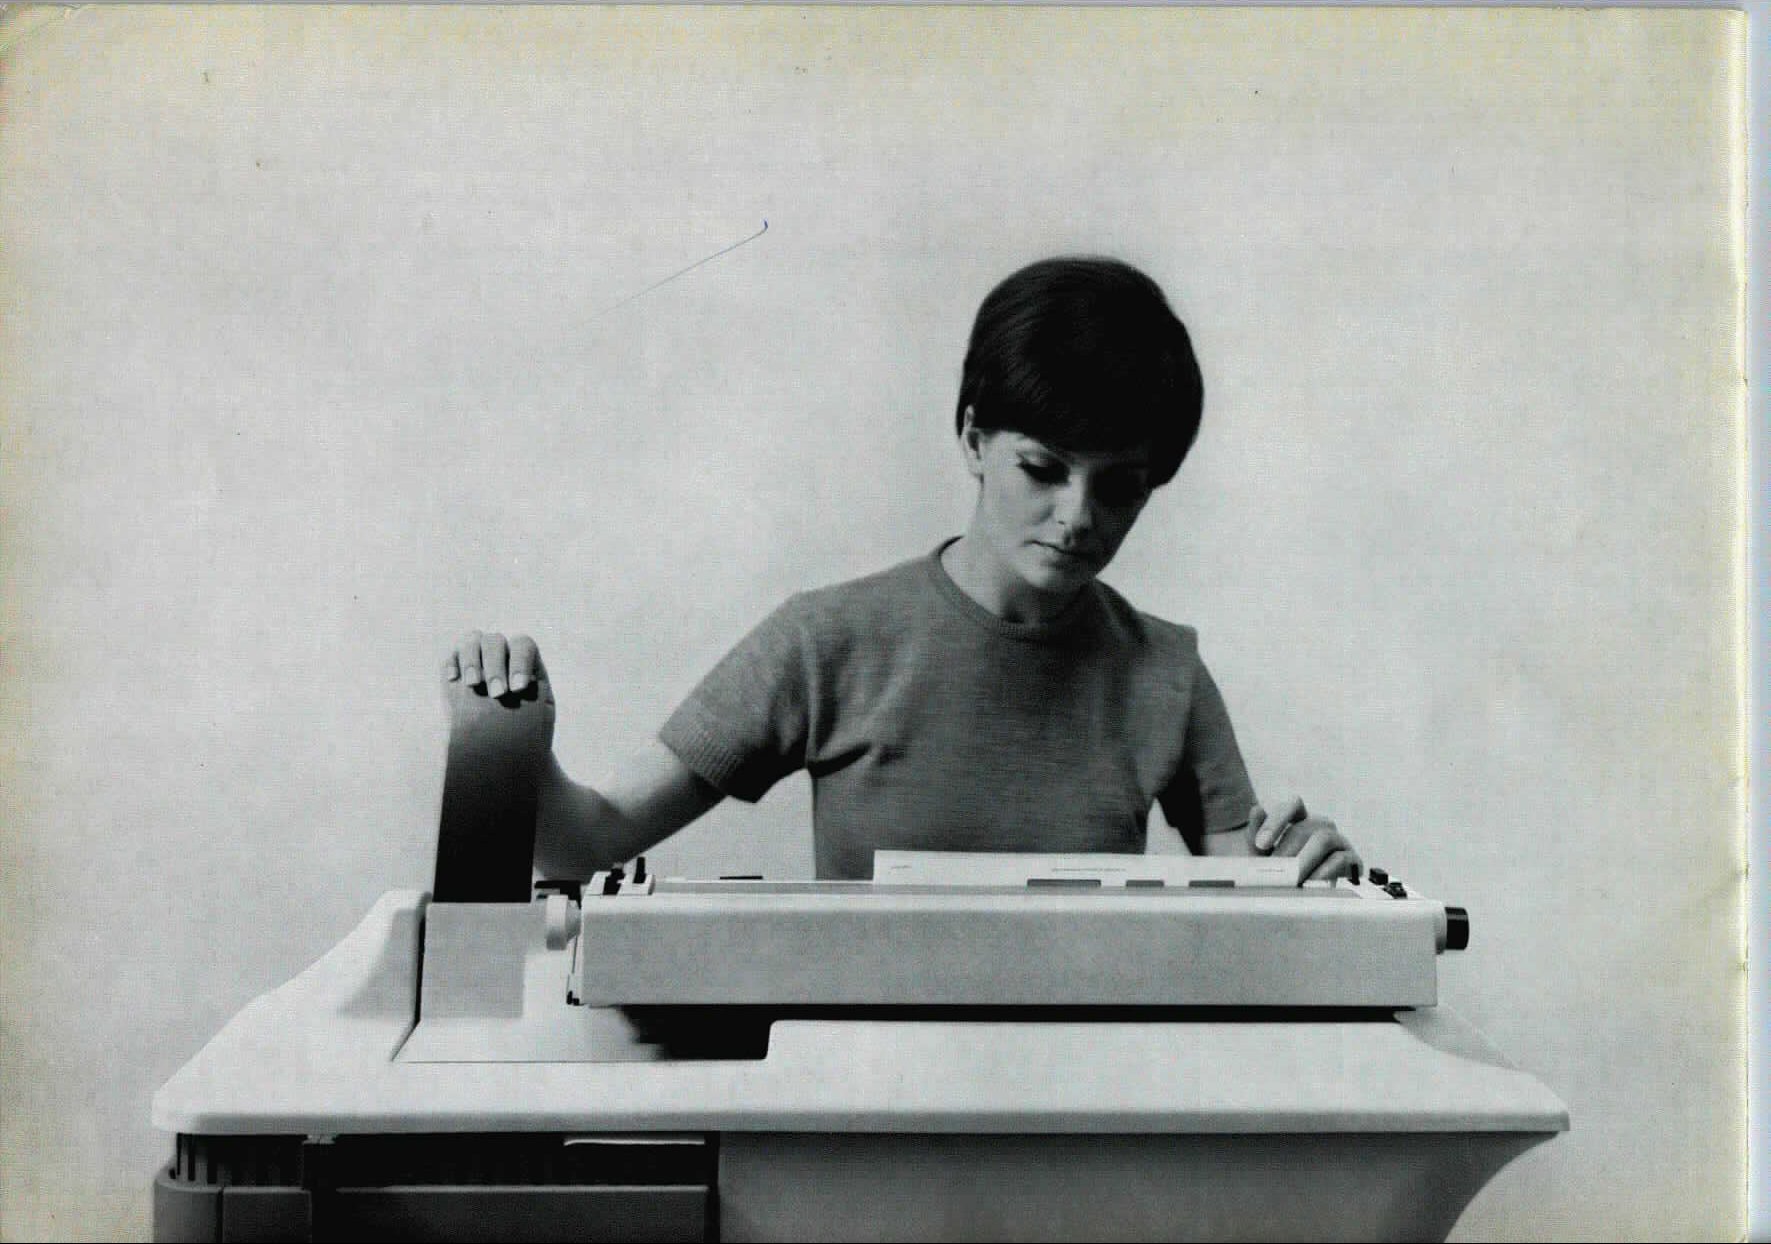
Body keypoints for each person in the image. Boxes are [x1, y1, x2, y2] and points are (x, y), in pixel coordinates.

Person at [443, 256, 1359, 884]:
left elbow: (1259, 901)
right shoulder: (824, 640)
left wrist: (1309, 878)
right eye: (1042, 469)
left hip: (1082, 1087)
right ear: (972, 439)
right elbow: (587, 843)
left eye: (1118, 487)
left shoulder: (1167, 673)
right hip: (864, 1088)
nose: (1078, 517)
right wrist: (509, 749)